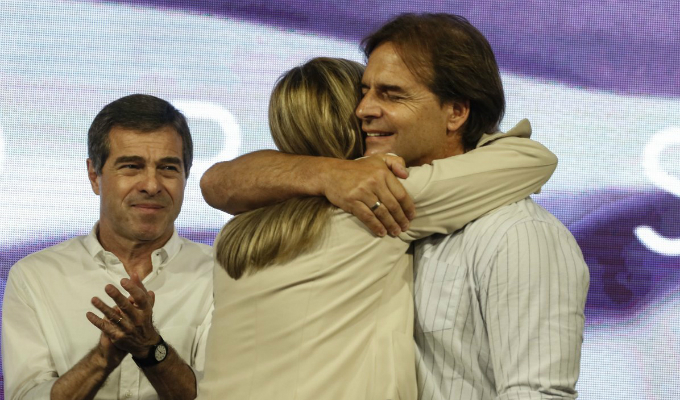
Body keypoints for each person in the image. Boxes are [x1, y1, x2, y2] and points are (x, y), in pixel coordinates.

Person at [200, 13, 589, 400]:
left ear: (456, 111)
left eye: (391, 94)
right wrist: (328, 173)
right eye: (364, 92)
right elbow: (532, 158)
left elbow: (536, 392)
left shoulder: (517, 234)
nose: (363, 109)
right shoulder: (369, 209)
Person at [2, 94, 214, 400]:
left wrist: (152, 350)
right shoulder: (34, 277)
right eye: (132, 166)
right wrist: (101, 360)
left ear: (186, 176)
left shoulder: (221, 275)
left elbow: (227, 394)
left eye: (168, 168)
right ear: (94, 176)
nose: (152, 185)